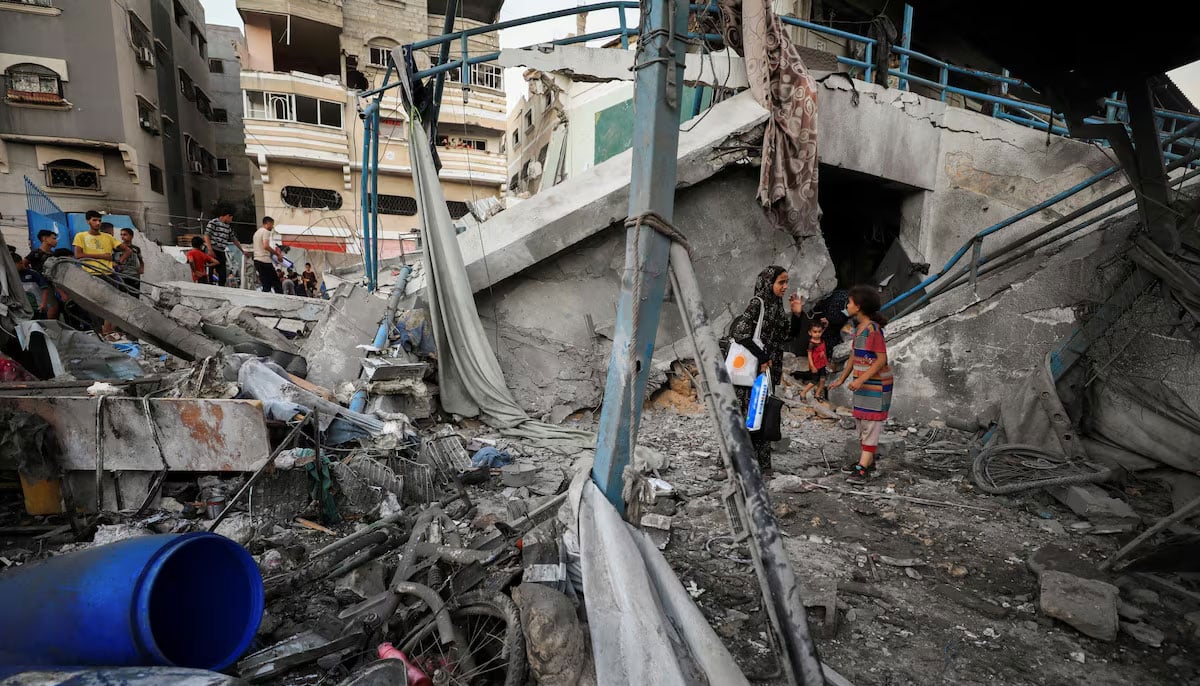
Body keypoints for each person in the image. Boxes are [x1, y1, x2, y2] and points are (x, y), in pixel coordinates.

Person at [728, 265, 805, 475]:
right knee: (746, 417)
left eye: (786, 282)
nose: (785, 287)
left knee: (761, 416)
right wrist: (762, 357)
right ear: (768, 282)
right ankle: (733, 465)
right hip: (751, 372)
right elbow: (740, 332)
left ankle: (761, 466)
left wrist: (797, 314)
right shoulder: (758, 303)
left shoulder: (777, 306)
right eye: (781, 282)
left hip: (767, 372)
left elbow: (787, 336)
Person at [828, 285, 894, 483]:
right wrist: (841, 379)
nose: (846, 305)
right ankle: (868, 461)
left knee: (871, 424)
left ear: (859, 306)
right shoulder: (859, 330)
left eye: (849, 302)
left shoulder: (873, 330)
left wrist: (861, 379)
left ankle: (863, 468)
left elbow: (881, 360)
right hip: (864, 385)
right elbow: (853, 357)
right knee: (861, 422)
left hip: (876, 385)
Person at [73, 210, 128, 276]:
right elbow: (78, 255)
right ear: (88, 221)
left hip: (108, 274)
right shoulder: (80, 236)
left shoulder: (108, 237)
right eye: (94, 220)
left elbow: (128, 250)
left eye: (99, 221)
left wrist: (119, 262)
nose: (98, 223)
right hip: (90, 274)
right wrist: (102, 256)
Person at [203, 205, 246, 286]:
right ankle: (209, 285)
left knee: (222, 273)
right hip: (212, 249)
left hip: (221, 251)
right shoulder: (213, 222)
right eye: (231, 218)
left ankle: (221, 287)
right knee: (210, 271)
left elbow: (234, 239)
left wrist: (242, 250)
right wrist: (210, 249)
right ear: (227, 216)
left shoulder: (228, 227)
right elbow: (206, 235)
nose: (231, 220)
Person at [10, 248, 56, 318]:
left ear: (20, 262)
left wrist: (43, 303)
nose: (12, 268)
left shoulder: (33, 274)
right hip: (24, 309)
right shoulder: (12, 276)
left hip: (38, 308)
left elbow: (45, 289)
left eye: (14, 266)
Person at [792, 322, 829, 402]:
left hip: (822, 363)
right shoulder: (811, 344)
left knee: (823, 379)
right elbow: (809, 355)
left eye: (819, 332)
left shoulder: (821, 340)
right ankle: (803, 392)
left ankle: (817, 394)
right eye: (815, 332)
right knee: (814, 381)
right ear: (810, 332)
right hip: (815, 364)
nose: (817, 334)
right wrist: (812, 366)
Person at [252, 216, 284, 294]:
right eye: (272, 224)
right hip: (264, 260)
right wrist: (278, 254)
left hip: (257, 260)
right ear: (268, 223)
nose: (272, 227)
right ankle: (281, 300)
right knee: (276, 282)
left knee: (266, 283)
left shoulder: (256, 233)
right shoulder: (266, 232)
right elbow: (266, 246)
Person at [113, 228, 144, 296]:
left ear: (131, 236)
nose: (122, 237)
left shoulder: (136, 249)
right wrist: (117, 266)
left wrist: (141, 267)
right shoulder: (117, 248)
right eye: (121, 235)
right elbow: (112, 260)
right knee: (122, 295)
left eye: (125, 234)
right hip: (122, 275)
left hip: (134, 276)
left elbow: (140, 259)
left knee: (135, 295)